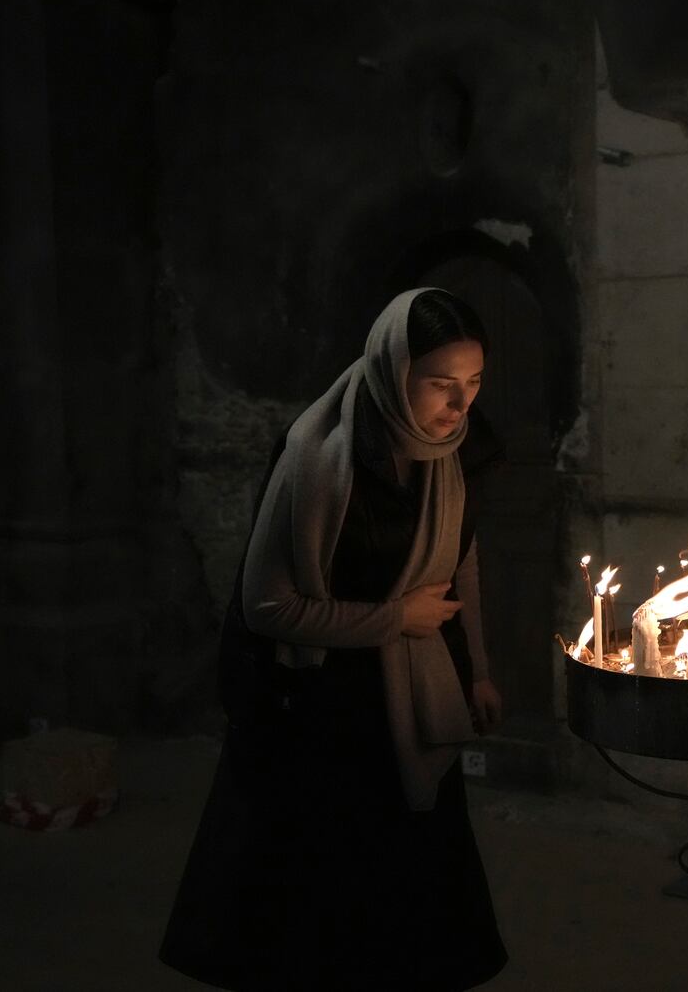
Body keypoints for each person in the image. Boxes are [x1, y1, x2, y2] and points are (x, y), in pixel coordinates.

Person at [160, 285, 508, 990]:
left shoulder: (456, 452)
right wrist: (391, 619)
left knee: (413, 897)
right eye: (441, 385)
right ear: (393, 370)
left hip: (416, 688)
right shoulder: (318, 460)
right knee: (322, 905)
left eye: (472, 384)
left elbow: (459, 561)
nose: (460, 405)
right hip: (325, 705)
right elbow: (265, 605)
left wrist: (476, 671)